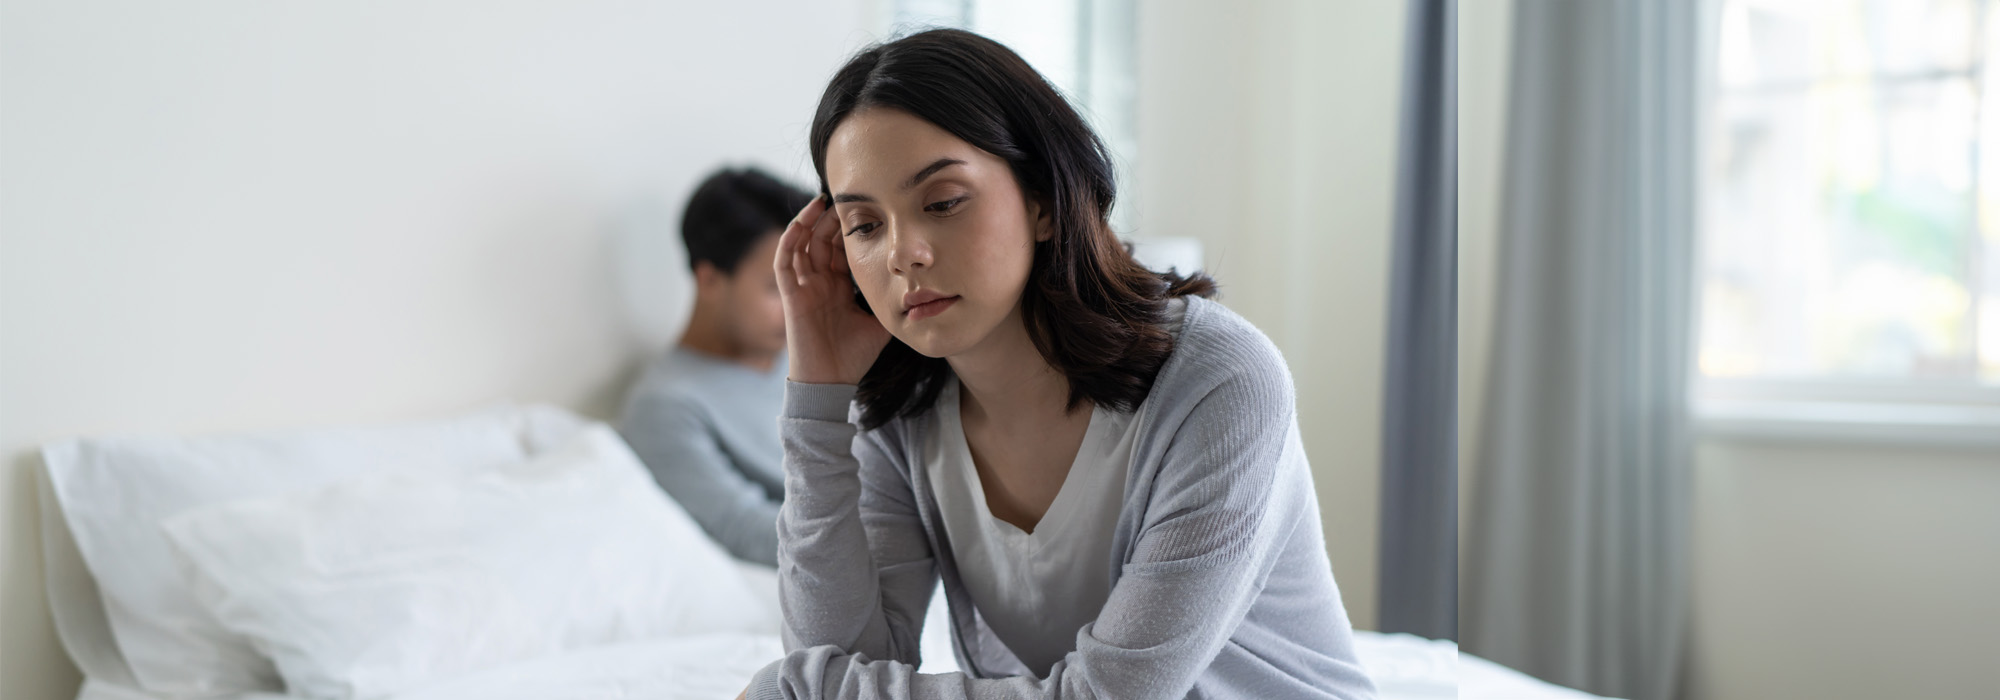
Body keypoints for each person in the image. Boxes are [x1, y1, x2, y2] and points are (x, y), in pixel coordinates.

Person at [739, 28, 1377, 700]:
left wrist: (801, 686)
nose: (904, 254)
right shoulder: (904, 415)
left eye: (943, 202)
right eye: (864, 225)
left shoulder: (1220, 382)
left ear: (1042, 200)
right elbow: (836, 662)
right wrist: (818, 396)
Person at [618, 167, 811, 567]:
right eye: (776, 288)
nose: (801, 305)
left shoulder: (813, 357)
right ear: (709, 280)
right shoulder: (665, 407)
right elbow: (743, 528)